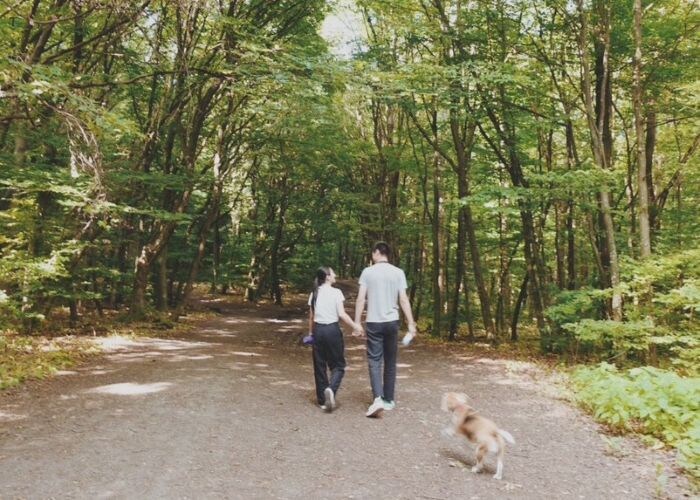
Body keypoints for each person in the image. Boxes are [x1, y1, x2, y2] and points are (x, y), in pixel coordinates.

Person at [353, 242, 417, 417]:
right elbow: (403, 299)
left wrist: (357, 322)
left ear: (376, 252)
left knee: (374, 360)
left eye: (372, 253)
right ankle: (389, 399)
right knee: (390, 360)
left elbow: (361, 299)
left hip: (374, 321)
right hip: (392, 321)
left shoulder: (368, 272)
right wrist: (411, 322)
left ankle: (378, 398)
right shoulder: (398, 272)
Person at [307, 266, 362, 412]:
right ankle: (331, 389)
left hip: (318, 331)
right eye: (333, 273)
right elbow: (342, 314)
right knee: (338, 365)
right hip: (332, 330)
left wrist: (311, 334)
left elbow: (311, 317)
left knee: (319, 365)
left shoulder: (314, 293)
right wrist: (355, 326)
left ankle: (322, 400)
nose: (335, 275)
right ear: (327, 276)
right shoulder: (336, 293)